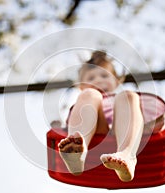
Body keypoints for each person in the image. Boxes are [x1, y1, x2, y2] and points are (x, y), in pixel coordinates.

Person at [58, 50, 144, 182]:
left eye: (104, 76)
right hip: (93, 129)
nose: (98, 80)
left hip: (118, 130)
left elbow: (139, 121)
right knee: (91, 95)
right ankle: (77, 149)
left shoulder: (120, 103)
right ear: (81, 86)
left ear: (116, 82)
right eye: (91, 78)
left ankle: (127, 154)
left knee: (129, 96)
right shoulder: (84, 98)